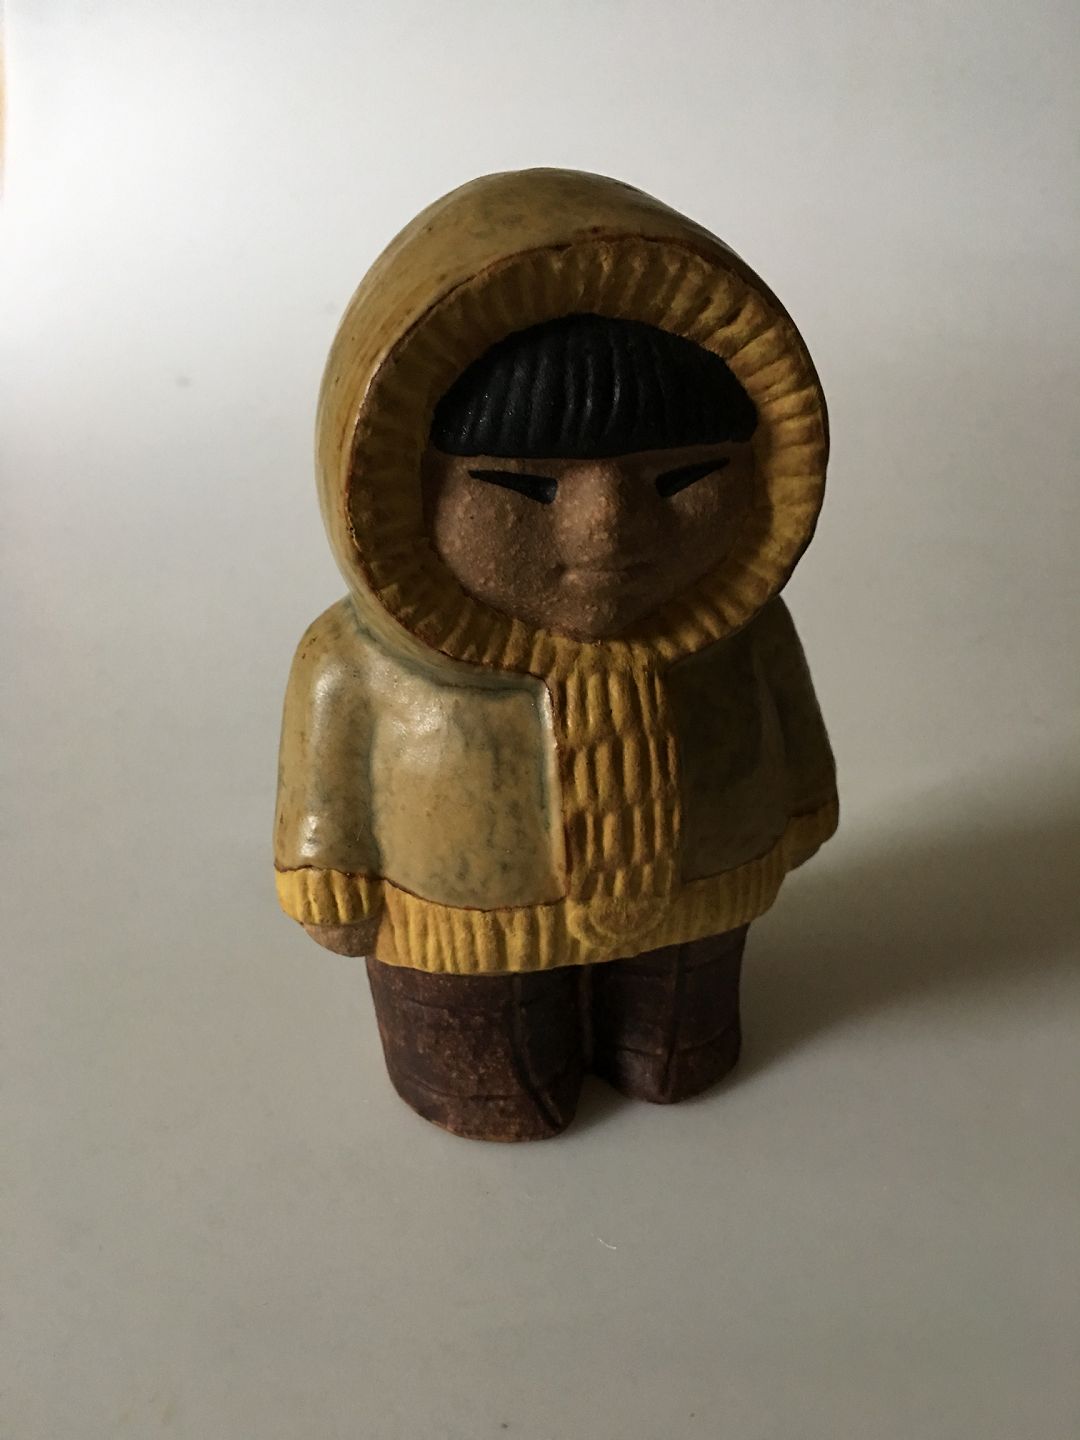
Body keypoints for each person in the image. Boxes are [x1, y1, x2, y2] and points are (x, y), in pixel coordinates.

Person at [274, 168, 838, 1141]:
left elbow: (791, 725)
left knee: (679, 1042)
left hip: (700, 887)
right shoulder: (356, 664)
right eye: (522, 487)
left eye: (683, 478)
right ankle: (491, 1078)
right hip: (462, 919)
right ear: (395, 487)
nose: (606, 531)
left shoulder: (744, 635)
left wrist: (803, 801)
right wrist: (327, 870)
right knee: (488, 1071)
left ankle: (664, 1045)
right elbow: (324, 793)